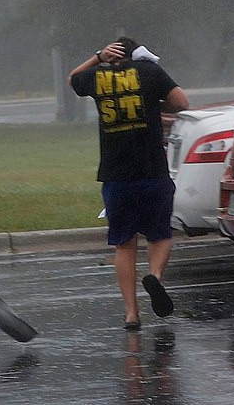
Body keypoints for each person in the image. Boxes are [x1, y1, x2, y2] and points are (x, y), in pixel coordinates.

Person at [68, 36, 189, 330]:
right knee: (160, 235)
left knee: (124, 244)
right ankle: (156, 277)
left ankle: (131, 314)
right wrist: (152, 101)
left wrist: (98, 57)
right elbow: (181, 103)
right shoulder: (149, 73)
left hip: (116, 176)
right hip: (152, 172)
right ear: (138, 54)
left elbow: (73, 80)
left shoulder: (98, 76)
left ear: (113, 56)